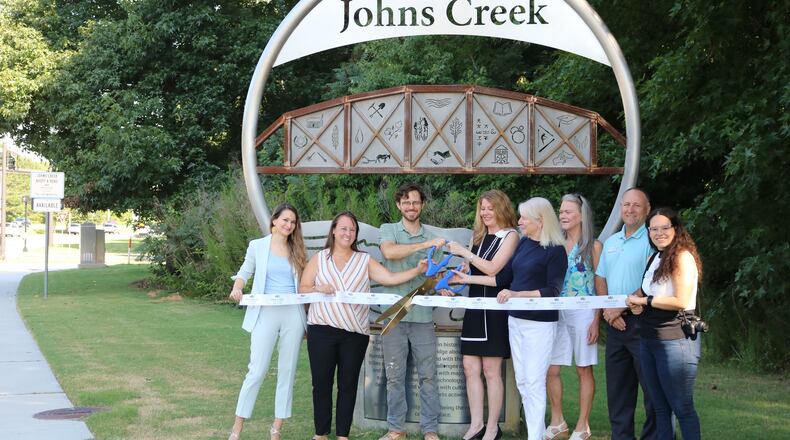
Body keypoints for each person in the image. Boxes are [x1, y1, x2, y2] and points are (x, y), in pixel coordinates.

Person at [300, 211, 427, 440]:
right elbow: (303, 288)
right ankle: (320, 434)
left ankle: (342, 435)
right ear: (334, 230)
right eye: (343, 228)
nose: (348, 233)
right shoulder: (319, 258)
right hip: (321, 331)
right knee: (321, 384)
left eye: (352, 229)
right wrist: (319, 288)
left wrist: (417, 271)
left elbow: (389, 278)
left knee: (348, 386)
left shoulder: (364, 259)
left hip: (354, 334)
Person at [452, 197, 566, 440]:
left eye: (525, 217)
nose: (520, 221)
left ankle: (533, 435)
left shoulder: (555, 250)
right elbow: (501, 279)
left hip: (539, 323)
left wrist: (517, 294)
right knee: (524, 382)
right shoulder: (524, 245)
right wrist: (464, 280)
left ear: (541, 220)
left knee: (534, 381)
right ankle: (531, 433)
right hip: (515, 319)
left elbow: (552, 291)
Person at [228, 203, 308, 440]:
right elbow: (244, 272)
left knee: (288, 370)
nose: (289, 225)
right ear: (274, 221)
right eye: (285, 220)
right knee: (257, 370)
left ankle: (276, 429)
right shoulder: (257, 246)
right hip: (265, 312)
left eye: (293, 222)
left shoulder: (297, 249)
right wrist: (237, 287)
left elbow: (304, 284)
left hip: (293, 313)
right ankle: (237, 428)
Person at [625, 208, 703, 440]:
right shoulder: (656, 256)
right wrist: (634, 301)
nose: (659, 233)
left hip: (676, 341)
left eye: (665, 227)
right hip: (649, 338)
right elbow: (645, 289)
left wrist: (644, 301)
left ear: (676, 228)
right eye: (654, 229)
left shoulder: (682, 257)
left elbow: (680, 300)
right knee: (659, 407)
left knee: (682, 408)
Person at [377, 183, 447, 440]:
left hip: (422, 317)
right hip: (394, 316)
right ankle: (396, 429)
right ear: (398, 205)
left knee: (428, 376)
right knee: (394, 375)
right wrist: (424, 245)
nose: (411, 207)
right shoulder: (389, 230)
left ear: (422, 205)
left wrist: (442, 284)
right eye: (406, 202)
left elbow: (435, 277)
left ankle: (430, 431)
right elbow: (389, 252)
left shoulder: (433, 239)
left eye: (415, 202)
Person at [447, 190, 518, 440]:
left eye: (490, 208)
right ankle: (476, 425)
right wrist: (456, 278)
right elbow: (469, 269)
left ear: (502, 209)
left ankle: (492, 428)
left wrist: (465, 259)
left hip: (495, 309)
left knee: (491, 370)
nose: (486, 213)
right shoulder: (477, 236)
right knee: (469, 368)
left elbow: (493, 270)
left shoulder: (510, 236)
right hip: (475, 306)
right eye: (483, 208)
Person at [595, 188, 657, 440]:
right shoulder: (611, 242)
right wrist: (608, 311)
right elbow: (601, 276)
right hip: (615, 325)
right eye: (626, 205)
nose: (630, 210)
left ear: (647, 209)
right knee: (618, 391)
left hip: (644, 322)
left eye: (637, 206)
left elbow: (652, 281)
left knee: (653, 390)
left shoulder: (652, 240)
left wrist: (620, 307)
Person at [545, 194, 603, 440]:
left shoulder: (594, 247)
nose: (563, 216)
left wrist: (596, 320)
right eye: (561, 212)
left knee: (583, 369)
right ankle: (557, 421)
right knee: (550, 368)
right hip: (556, 311)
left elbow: (601, 285)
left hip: (584, 312)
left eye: (568, 211)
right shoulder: (554, 245)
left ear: (582, 215)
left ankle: (583, 425)